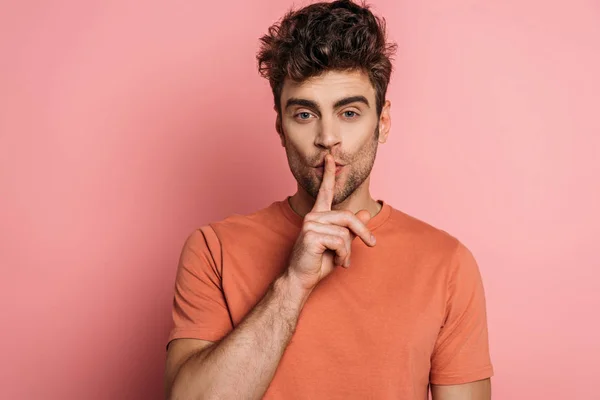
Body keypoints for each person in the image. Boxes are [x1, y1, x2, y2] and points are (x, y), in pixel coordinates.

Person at [164, 0, 493, 398]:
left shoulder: (447, 264)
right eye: (304, 114)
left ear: (382, 122)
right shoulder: (213, 248)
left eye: (349, 113)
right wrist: (293, 284)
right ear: (280, 128)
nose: (327, 137)